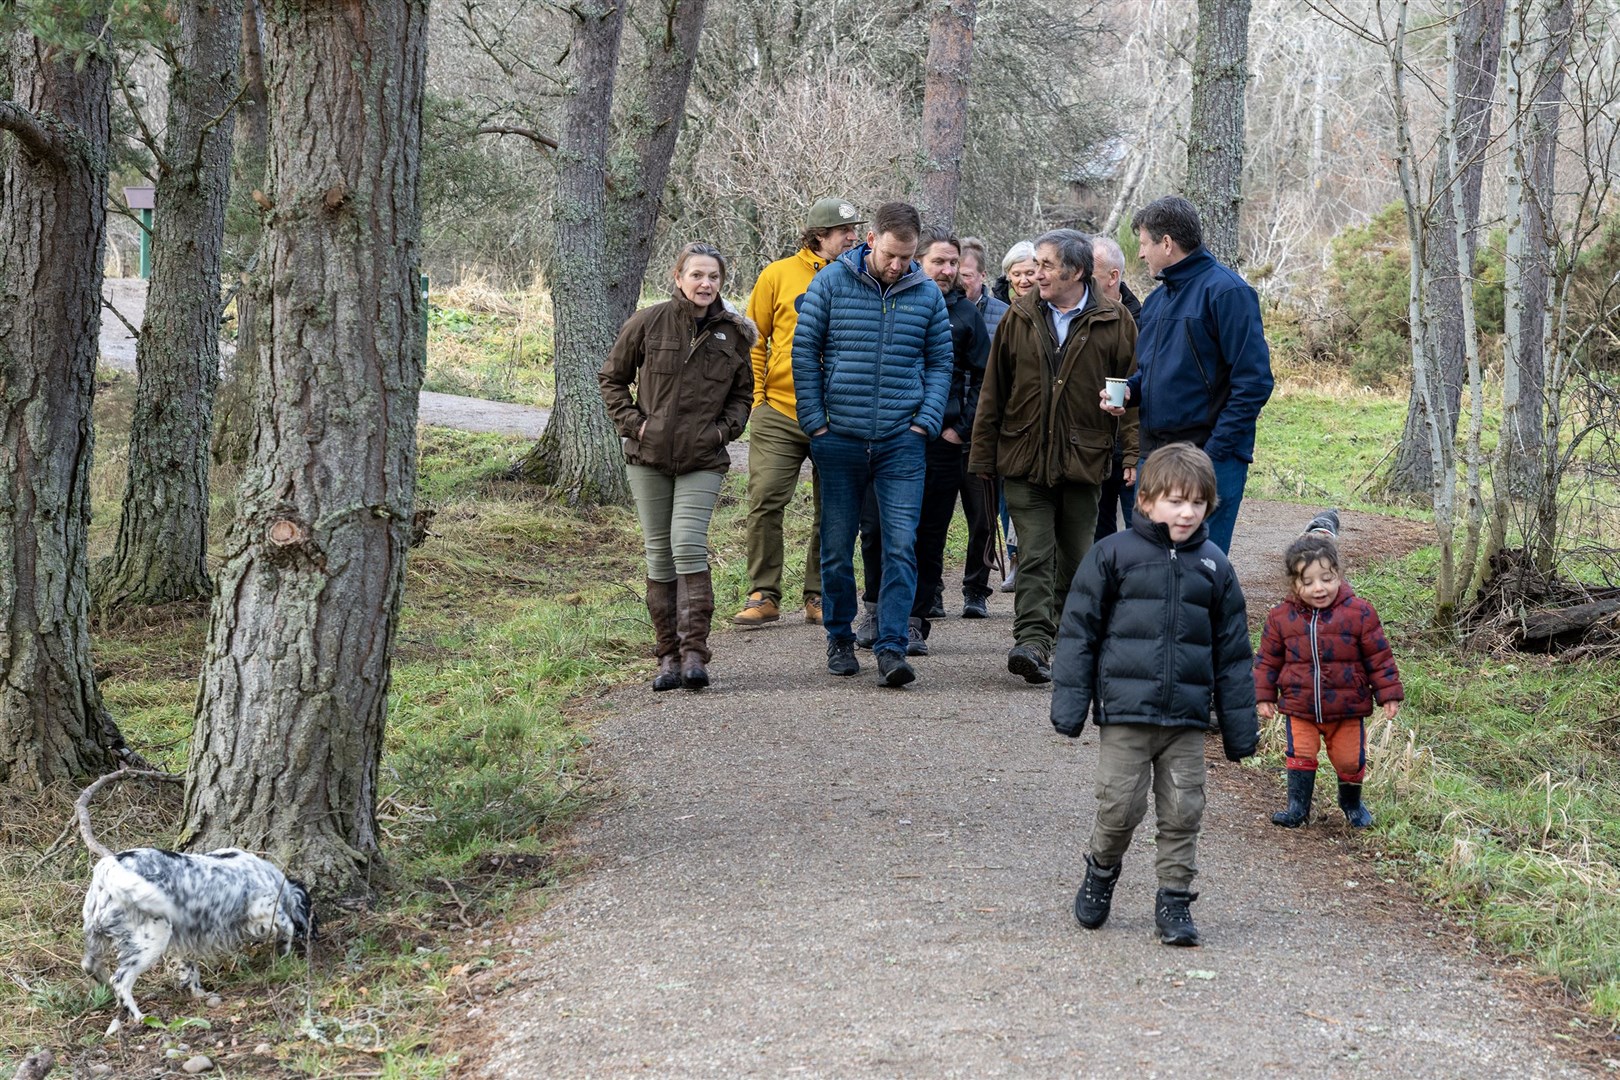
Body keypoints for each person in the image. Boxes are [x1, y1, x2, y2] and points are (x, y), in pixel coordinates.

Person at [1050, 443, 1258, 947]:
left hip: (1185, 720)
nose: (1186, 512)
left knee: (1184, 809)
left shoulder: (1215, 568)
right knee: (1120, 807)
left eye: (1196, 503)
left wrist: (1239, 727)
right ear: (1145, 501)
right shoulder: (1112, 555)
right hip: (1126, 714)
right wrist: (1071, 705)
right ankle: (1101, 870)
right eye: (1174, 500)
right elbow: (1079, 632)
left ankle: (1174, 900)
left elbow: (1232, 653)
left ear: (1210, 505)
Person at [793, 201, 952, 687]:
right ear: (871, 241)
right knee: (837, 546)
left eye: (907, 257)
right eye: (890, 255)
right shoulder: (831, 282)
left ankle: (891, 645)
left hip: (901, 442)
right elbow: (805, 351)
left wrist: (924, 422)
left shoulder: (926, 293)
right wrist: (816, 423)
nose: (898, 265)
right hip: (838, 437)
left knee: (901, 546)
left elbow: (940, 362)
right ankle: (839, 638)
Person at [969, 229, 1137, 684]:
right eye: (1035, 264)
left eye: (1045, 265)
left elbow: (1133, 391)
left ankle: (1065, 635)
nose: (1034, 274)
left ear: (1076, 272)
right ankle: (1031, 641)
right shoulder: (1018, 316)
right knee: (1037, 553)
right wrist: (983, 455)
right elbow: (993, 391)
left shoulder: (1116, 319)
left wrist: (1132, 451)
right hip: (1023, 456)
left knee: (1076, 555)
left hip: (1085, 458)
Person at [599, 242, 753, 692]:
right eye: (697, 275)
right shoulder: (648, 322)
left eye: (714, 277)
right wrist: (634, 424)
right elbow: (612, 377)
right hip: (647, 458)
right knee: (658, 552)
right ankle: (666, 657)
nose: (706, 284)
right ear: (679, 277)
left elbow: (744, 394)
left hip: (702, 458)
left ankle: (694, 656)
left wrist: (723, 431)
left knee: (686, 544)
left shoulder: (733, 335)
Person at [1102, 196, 1274, 554]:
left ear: (1167, 243)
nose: (1142, 255)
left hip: (1211, 455)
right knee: (1150, 564)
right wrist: (1131, 392)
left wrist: (1213, 453)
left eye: (1145, 244)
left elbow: (1254, 382)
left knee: (1199, 567)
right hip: (1156, 455)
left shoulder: (1228, 292)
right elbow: (1153, 372)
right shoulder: (1157, 300)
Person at [732, 197, 865, 629]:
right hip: (780, 410)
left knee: (834, 508)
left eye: (854, 230)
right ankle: (763, 594)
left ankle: (819, 594)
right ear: (818, 235)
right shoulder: (778, 274)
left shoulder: (862, 276)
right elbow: (753, 339)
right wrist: (756, 399)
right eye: (844, 231)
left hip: (840, 414)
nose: (853, 237)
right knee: (766, 499)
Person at [1255, 531, 1404, 829]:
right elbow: (1267, 660)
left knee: (1350, 761)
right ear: (1294, 583)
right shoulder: (1281, 618)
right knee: (1301, 755)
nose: (1318, 588)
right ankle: (1297, 808)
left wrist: (1388, 693)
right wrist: (1264, 695)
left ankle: (1350, 803)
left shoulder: (1359, 613)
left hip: (1347, 707)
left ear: (1338, 574)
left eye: (1326, 578)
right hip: (1300, 706)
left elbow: (1379, 656)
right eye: (1307, 582)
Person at [1090, 233, 1142, 542]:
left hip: (1127, 452)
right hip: (1090, 450)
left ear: (1113, 277)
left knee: (1140, 531)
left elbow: (1140, 391)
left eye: (1091, 276)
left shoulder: (1143, 320)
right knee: (1098, 535)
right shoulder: (1077, 318)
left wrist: (1133, 453)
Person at [960, 236, 1009, 341]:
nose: (959, 282)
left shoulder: (1005, 315)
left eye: (966, 275)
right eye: (956, 275)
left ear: (982, 276)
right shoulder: (941, 310)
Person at [992, 240, 1038, 304]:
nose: (1023, 281)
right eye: (1017, 274)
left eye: (1030, 273)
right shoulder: (996, 307)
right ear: (1008, 275)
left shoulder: (1053, 305)